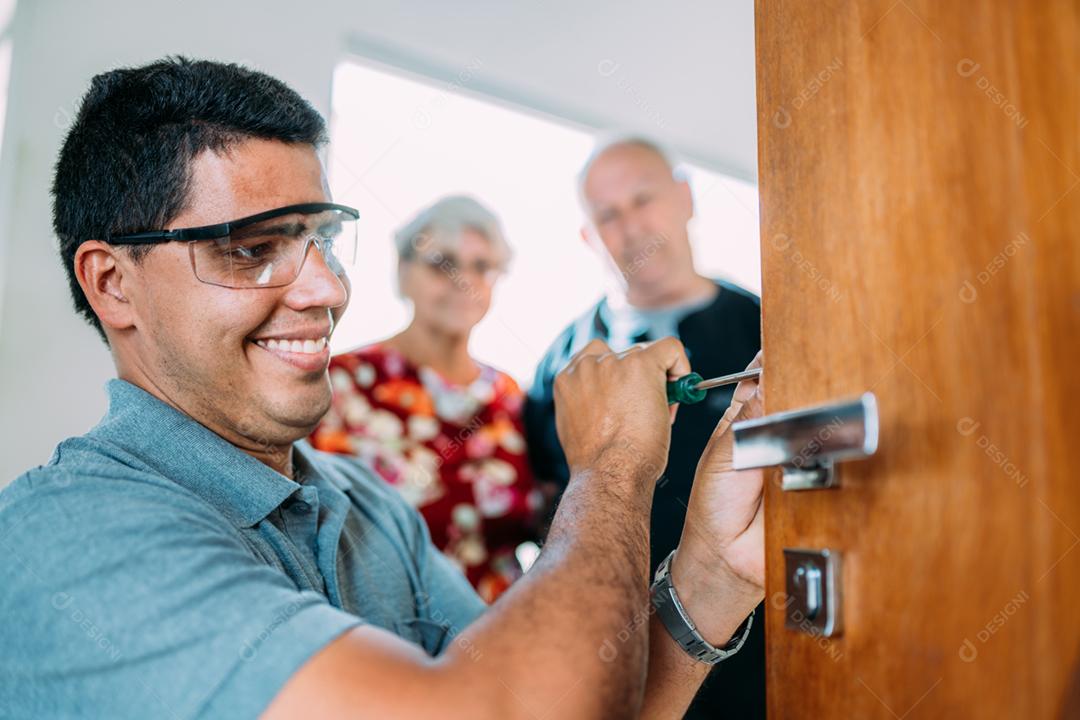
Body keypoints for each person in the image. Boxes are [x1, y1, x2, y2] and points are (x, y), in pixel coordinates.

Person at [0, 58, 765, 719]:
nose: (328, 288)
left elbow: (563, 694)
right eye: (254, 249)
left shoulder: (366, 508)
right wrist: (612, 467)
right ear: (112, 285)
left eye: (322, 240)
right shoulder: (64, 540)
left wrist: (711, 572)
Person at [524, 135, 765, 718]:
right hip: (618, 668)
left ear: (685, 198)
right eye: (607, 214)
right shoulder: (564, 364)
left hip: (759, 644)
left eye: (644, 199)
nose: (631, 226)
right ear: (589, 236)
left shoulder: (765, 326)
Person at [310, 196, 540, 603]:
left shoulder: (511, 398)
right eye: (441, 263)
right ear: (403, 272)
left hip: (501, 640)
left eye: (481, 267)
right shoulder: (339, 382)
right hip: (380, 635)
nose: (462, 280)